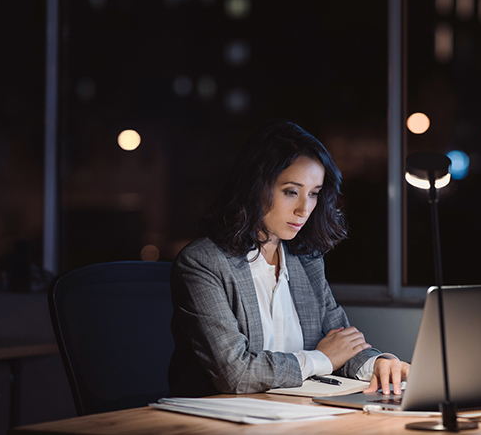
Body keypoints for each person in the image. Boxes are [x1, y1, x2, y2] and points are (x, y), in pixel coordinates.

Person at [168, 120, 410, 397]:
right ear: (255, 187)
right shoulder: (203, 262)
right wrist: (320, 359)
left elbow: (342, 343)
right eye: (291, 192)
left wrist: (378, 364)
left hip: (293, 413)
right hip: (214, 417)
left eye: (314, 194)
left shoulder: (306, 259)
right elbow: (234, 373)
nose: (304, 209)